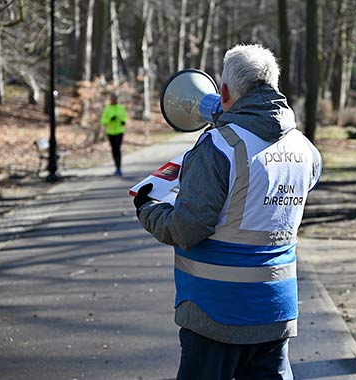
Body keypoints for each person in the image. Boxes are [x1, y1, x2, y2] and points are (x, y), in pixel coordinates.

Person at [133, 44, 322, 380]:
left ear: (223, 91)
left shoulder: (218, 145)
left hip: (215, 311)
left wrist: (147, 208)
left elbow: (186, 228)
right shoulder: (305, 148)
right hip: (276, 310)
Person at [100, 93, 127, 176]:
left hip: (120, 131)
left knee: (118, 148)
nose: (114, 101)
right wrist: (110, 119)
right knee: (114, 149)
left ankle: (119, 168)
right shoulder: (107, 109)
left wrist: (123, 121)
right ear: (110, 100)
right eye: (112, 99)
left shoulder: (121, 108)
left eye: (115, 99)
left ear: (117, 100)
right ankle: (116, 167)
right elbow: (103, 121)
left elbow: (125, 116)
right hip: (111, 132)